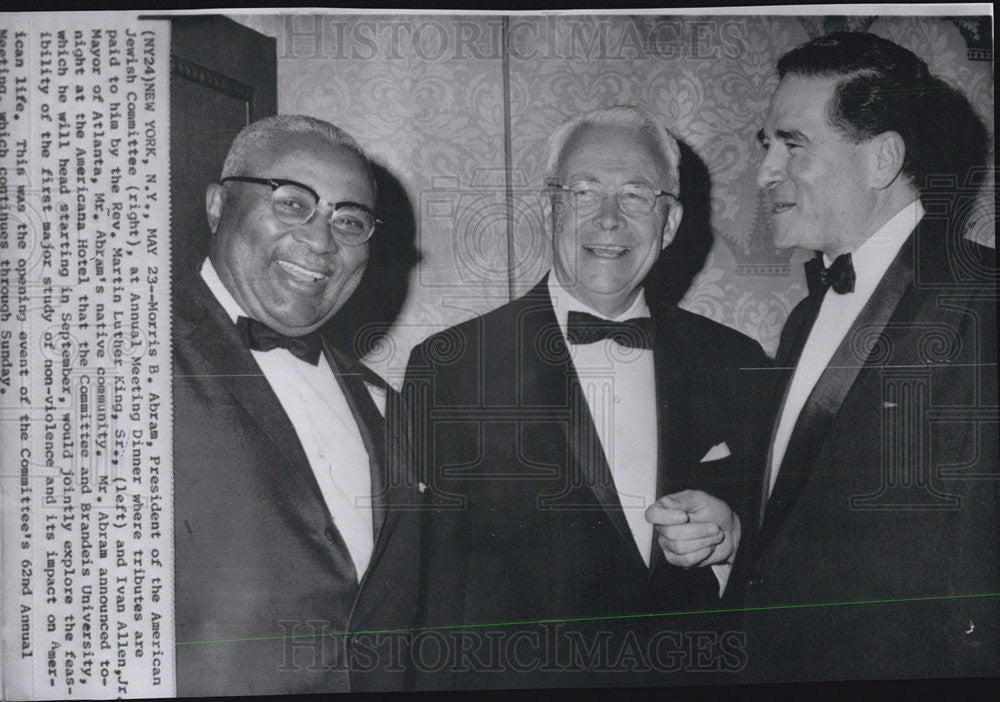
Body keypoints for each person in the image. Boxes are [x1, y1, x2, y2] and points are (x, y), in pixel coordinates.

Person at [401, 106, 769, 688]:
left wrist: (729, 543)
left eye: (636, 196)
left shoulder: (738, 361)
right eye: (583, 192)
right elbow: (433, 598)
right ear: (550, 209)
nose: (609, 220)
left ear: (669, 222)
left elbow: (783, 554)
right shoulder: (453, 367)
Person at [742, 32, 997, 681]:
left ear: (882, 158)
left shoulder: (983, 300)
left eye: (793, 144)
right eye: (766, 145)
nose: (765, 172)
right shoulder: (804, 318)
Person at [172, 115, 417, 695]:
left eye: (349, 220)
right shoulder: (116, 353)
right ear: (216, 205)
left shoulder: (381, 400)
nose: (320, 241)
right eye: (292, 203)